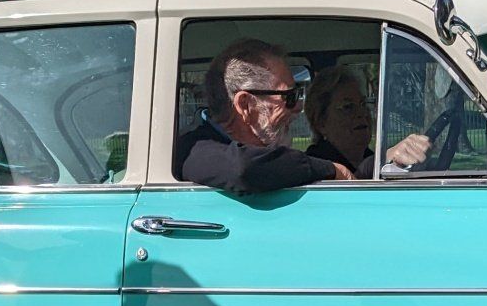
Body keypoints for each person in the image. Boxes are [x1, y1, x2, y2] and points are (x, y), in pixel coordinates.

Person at [174, 38, 353, 195]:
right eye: (289, 97)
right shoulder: (192, 147)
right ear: (245, 105)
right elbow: (244, 169)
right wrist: (333, 170)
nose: (299, 107)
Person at [303, 67, 432, 180]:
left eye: (363, 104)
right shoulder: (315, 167)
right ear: (321, 123)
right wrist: (383, 159)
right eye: (348, 107)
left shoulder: (367, 156)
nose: (362, 113)